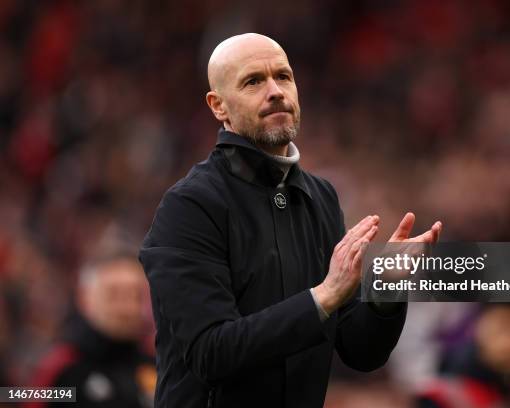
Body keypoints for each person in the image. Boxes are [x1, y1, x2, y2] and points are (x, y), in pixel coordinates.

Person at [139, 33, 442, 408]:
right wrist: (323, 297)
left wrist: (384, 291)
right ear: (219, 106)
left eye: (283, 77)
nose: (275, 91)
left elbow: (360, 352)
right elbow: (210, 353)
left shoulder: (320, 197)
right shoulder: (189, 206)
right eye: (253, 81)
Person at [27, 249, 155, 408]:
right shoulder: (63, 368)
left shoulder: (156, 364)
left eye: (135, 295)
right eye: (113, 295)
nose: (127, 308)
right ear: (85, 298)